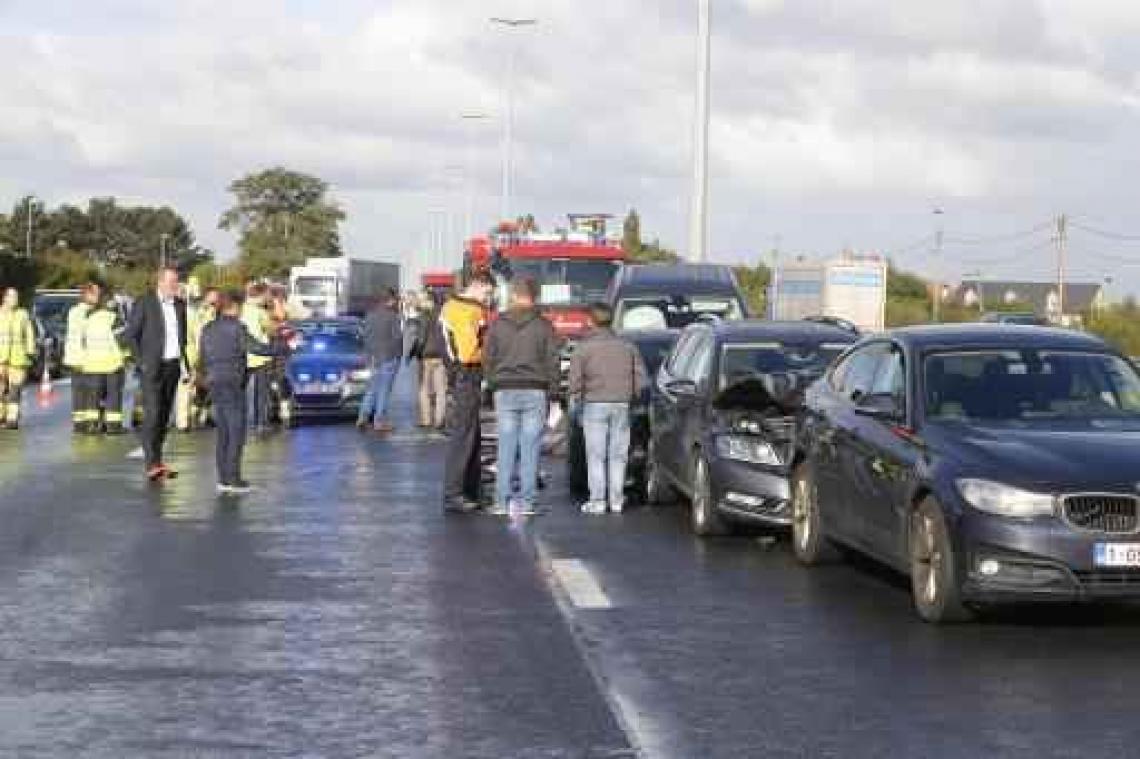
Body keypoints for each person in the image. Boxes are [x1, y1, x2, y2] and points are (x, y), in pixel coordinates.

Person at [483, 275, 560, 516]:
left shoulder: (498, 324)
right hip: (535, 389)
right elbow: (553, 361)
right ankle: (528, 502)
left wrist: (493, 381)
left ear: (514, 296)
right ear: (534, 297)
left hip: (504, 388)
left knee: (506, 446)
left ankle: (500, 501)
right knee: (530, 447)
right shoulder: (544, 326)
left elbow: (488, 356)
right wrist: (554, 392)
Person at [200, 290, 289, 493]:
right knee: (236, 431)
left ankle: (223, 477)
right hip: (232, 381)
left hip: (214, 381)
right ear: (233, 307)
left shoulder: (208, 328)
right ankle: (233, 478)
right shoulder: (237, 328)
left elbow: (202, 354)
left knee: (223, 432)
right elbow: (257, 348)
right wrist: (284, 348)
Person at [568, 303, 648, 514]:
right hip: (622, 404)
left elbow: (574, 381)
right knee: (618, 455)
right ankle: (616, 500)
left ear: (590, 321)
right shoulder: (628, 347)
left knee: (596, 455)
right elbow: (641, 379)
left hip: (594, 403)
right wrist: (634, 397)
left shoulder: (583, 348)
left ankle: (597, 500)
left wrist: (575, 399)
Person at [123, 267, 187, 481]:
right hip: (151, 367)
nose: (174, 287)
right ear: (159, 282)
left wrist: (184, 363)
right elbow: (130, 336)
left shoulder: (179, 305)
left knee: (164, 416)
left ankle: (158, 460)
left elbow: (182, 336)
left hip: (173, 366)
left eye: (176, 283)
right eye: (170, 283)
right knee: (153, 413)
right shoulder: (145, 303)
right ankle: (152, 463)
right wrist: (140, 362)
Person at [439, 270, 494, 513]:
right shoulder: (465, 310)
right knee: (463, 437)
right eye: (488, 292)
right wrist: (493, 353)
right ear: (477, 285)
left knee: (472, 437)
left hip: (465, 377)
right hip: (466, 375)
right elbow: (468, 353)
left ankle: (471, 491)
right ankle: (454, 493)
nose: (489, 298)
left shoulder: (458, 306)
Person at [80, 290, 128, 434]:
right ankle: (113, 426)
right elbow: (123, 341)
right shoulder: (115, 318)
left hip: (92, 364)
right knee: (113, 395)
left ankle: (91, 425)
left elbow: (83, 341)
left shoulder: (88, 318)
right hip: (112, 364)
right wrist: (128, 357)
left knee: (92, 396)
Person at [358, 288, 403, 434]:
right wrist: (398, 355)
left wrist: (367, 357)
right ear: (390, 300)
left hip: (372, 358)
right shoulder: (393, 316)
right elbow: (397, 338)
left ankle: (363, 417)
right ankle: (379, 421)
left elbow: (365, 338)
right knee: (384, 390)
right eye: (394, 299)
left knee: (371, 388)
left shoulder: (369, 316)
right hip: (388, 358)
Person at [177, 287, 219, 431]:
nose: (214, 302)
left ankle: (199, 416)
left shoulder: (211, 313)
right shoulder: (193, 313)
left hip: (206, 355)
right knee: (186, 387)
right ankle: (184, 421)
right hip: (191, 354)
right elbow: (194, 335)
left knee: (205, 387)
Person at [64, 283, 102, 433]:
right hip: (87, 358)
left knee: (79, 392)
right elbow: (88, 335)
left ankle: (79, 424)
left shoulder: (73, 311)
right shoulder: (89, 312)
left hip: (75, 359)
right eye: (96, 294)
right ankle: (91, 423)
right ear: (87, 295)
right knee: (92, 392)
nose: (98, 297)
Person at [0, 287, 37, 430]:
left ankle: (12, 419)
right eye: (11, 296)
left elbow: (29, 334)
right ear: (4, 298)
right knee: (1, 390)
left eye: (16, 296)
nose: (15, 299)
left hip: (18, 359)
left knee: (15, 391)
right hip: (1, 359)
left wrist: (30, 352)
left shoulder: (22, 314)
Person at [241, 283, 273, 433]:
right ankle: (260, 423)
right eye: (267, 295)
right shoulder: (261, 312)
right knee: (262, 393)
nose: (269, 298)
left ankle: (238, 421)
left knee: (239, 391)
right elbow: (271, 329)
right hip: (261, 356)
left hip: (242, 356)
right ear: (261, 295)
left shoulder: (241, 309)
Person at [418, 292, 448, 431]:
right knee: (441, 390)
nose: (420, 302)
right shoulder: (444, 313)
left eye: (422, 299)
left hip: (427, 356)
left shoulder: (425, 315)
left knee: (424, 389)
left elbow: (422, 337)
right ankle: (439, 420)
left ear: (429, 301)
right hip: (441, 356)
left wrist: (417, 351)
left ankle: (426, 419)